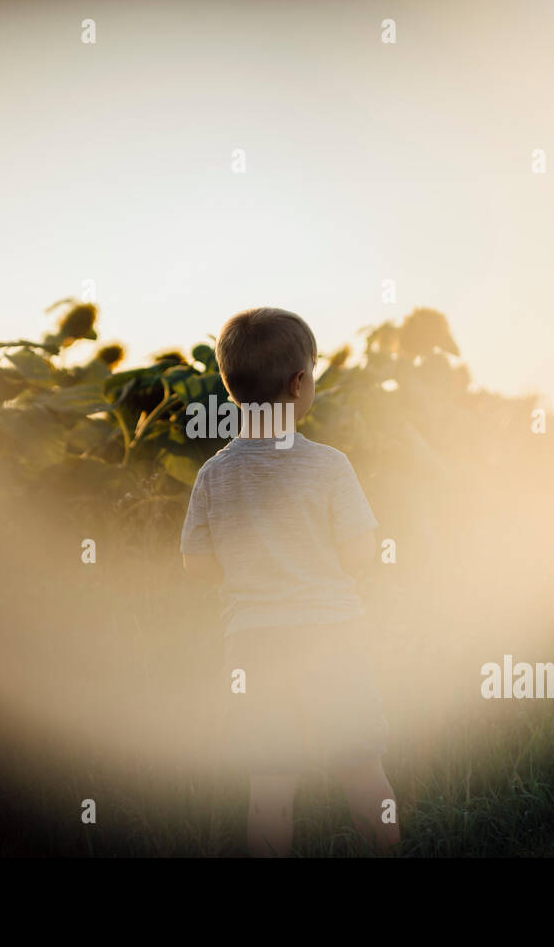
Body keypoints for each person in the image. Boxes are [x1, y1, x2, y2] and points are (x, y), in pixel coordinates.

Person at [180, 307, 399, 857]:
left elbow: (196, 563)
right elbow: (359, 553)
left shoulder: (214, 474)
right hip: (332, 636)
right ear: (300, 383)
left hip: (253, 643)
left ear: (231, 389)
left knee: (270, 781)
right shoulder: (329, 466)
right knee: (361, 765)